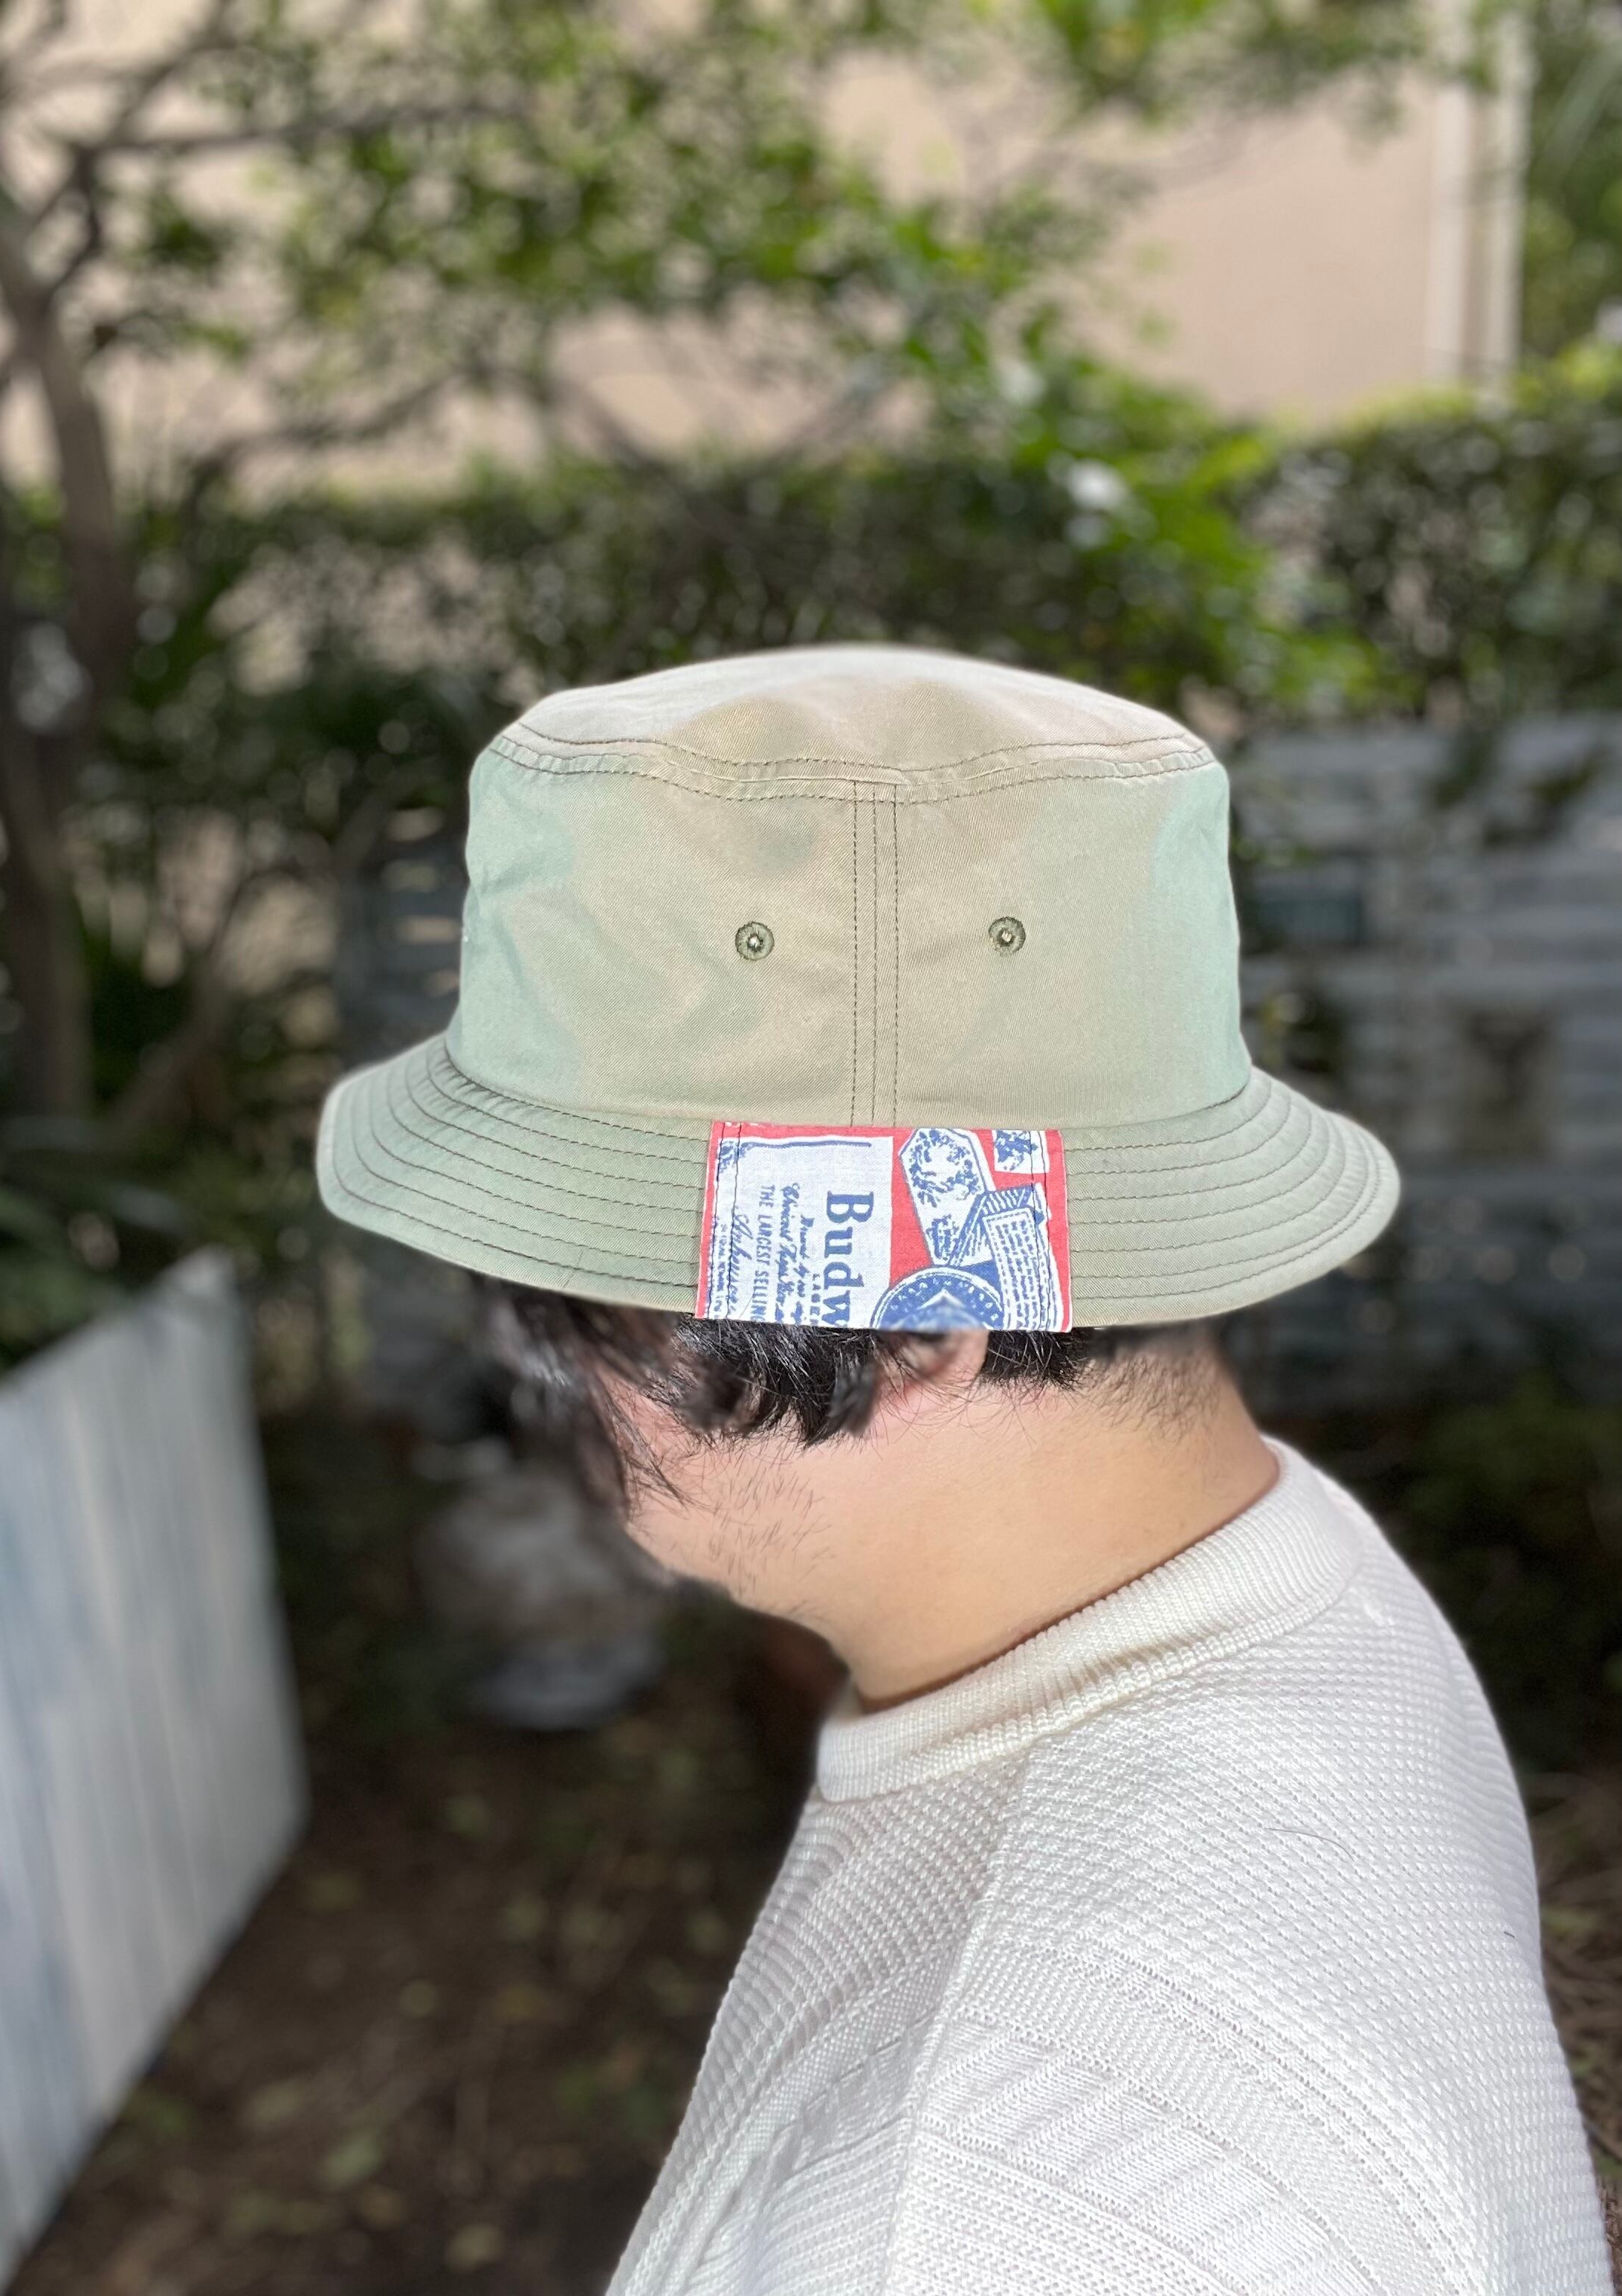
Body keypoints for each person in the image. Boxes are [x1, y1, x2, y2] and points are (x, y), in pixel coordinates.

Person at [317, 646, 1610, 2294]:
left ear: (920, 1309)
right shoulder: (1301, 1589)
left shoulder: (986, 2210)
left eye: (565, 1296)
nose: (538, 1379)